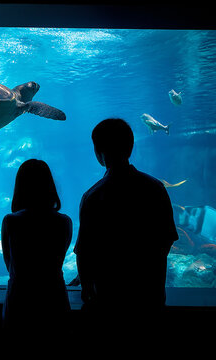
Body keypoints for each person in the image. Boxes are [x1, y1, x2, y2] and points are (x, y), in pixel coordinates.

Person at [74, 119, 178, 328]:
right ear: (130, 147)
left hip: (108, 300)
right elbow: (166, 240)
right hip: (150, 297)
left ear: (98, 153)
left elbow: (84, 253)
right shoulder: (155, 188)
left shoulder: (93, 196)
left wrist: (87, 287)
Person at [1, 159, 73, 334]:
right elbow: (60, 257)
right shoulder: (64, 221)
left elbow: (9, 262)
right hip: (54, 297)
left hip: (20, 297)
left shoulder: (11, 221)